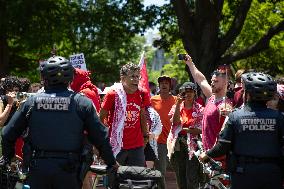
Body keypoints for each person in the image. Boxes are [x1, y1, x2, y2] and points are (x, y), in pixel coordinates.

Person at [1, 56, 117, 189]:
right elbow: (100, 137)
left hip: (38, 169)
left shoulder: (31, 103)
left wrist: (9, 157)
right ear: (71, 78)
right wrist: (111, 163)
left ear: (44, 77)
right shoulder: (82, 103)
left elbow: (7, 133)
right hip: (70, 171)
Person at [199, 72, 284, 189]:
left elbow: (223, 146)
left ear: (247, 94)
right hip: (272, 175)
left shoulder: (236, 116)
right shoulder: (279, 117)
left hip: (243, 174)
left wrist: (207, 154)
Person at [100, 63, 148, 167]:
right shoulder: (112, 94)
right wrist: (101, 140)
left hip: (137, 146)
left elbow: (142, 116)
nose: (136, 80)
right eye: (132, 76)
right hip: (116, 145)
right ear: (123, 78)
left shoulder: (142, 94)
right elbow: (100, 118)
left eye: (137, 76)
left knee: (138, 179)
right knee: (115, 179)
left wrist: (146, 136)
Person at [184, 55, 232, 152]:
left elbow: (226, 135)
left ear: (225, 83)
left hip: (216, 157)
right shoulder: (211, 97)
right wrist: (190, 63)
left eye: (216, 81)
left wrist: (228, 114)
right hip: (206, 153)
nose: (212, 83)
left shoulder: (225, 105)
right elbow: (201, 79)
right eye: (212, 81)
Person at [167, 82, 204, 189]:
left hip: (193, 145)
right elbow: (174, 122)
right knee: (180, 174)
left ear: (195, 93)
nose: (188, 94)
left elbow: (200, 130)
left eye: (190, 91)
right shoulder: (176, 106)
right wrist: (178, 104)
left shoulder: (200, 109)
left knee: (191, 175)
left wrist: (186, 130)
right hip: (178, 145)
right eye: (185, 92)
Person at [150, 75, 177, 189]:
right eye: (162, 83)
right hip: (158, 141)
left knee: (177, 172)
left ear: (170, 86)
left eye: (166, 83)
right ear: (159, 86)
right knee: (160, 172)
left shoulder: (176, 100)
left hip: (174, 141)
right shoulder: (152, 100)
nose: (164, 85)